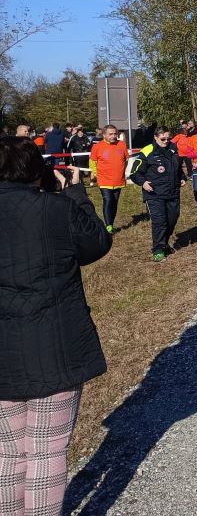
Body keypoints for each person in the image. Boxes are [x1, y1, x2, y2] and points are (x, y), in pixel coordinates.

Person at [0, 138, 113, 516]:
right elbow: (96, 245)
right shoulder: (56, 208)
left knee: (8, 454)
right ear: (36, 169)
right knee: (45, 451)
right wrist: (76, 192)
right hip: (54, 343)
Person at [129, 125, 186, 262]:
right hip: (154, 194)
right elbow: (135, 172)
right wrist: (143, 183)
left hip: (173, 192)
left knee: (172, 219)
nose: (166, 141)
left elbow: (176, 167)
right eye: (163, 139)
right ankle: (158, 250)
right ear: (155, 137)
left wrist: (182, 177)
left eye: (168, 138)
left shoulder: (173, 148)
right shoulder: (147, 150)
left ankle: (164, 243)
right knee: (160, 222)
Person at [89, 124, 129, 232]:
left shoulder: (122, 145)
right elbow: (92, 162)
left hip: (118, 179)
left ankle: (111, 223)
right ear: (104, 135)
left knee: (114, 202)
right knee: (108, 200)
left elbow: (126, 160)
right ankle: (108, 226)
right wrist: (97, 174)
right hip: (104, 179)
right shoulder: (97, 146)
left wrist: (121, 172)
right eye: (110, 134)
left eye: (115, 134)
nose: (113, 136)